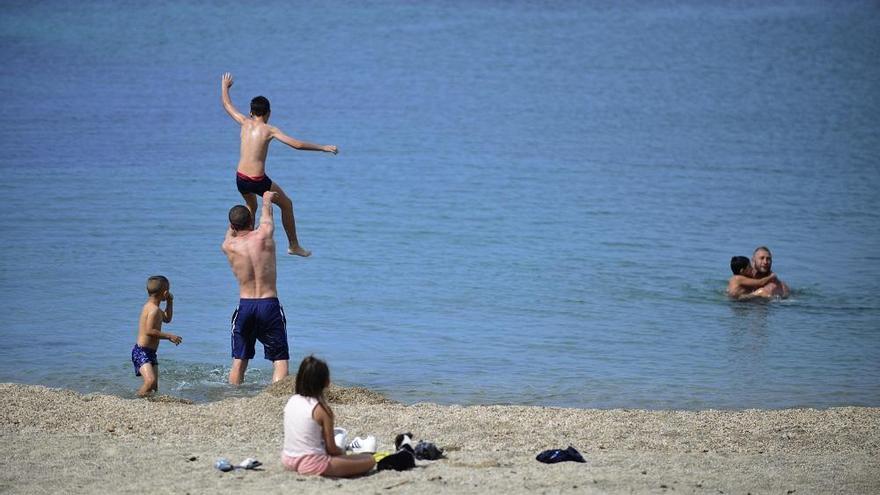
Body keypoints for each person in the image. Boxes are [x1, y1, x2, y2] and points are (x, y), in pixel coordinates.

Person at [221, 72, 338, 257]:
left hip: (240, 178)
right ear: (268, 113)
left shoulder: (244, 122)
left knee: (251, 207)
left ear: (251, 112)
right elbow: (297, 145)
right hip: (258, 180)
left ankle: (243, 242)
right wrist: (322, 147)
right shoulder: (270, 130)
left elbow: (227, 105)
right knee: (287, 205)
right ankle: (293, 245)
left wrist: (224, 87)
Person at [222, 192, 290, 385]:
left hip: (245, 305)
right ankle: (277, 397)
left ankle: (233, 397)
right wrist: (266, 199)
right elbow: (266, 215)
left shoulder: (228, 246)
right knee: (279, 359)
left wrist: (241, 216)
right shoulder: (264, 234)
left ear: (233, 226)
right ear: (251, 220)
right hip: (269, 304)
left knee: (239, 360)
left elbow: (232, 231)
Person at [282, 355, 376, 477]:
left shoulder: (292, 400)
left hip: (288, 459)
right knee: (369, 460)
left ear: (300, 378)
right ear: (326, 382)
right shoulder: (322, 410)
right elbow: (331, 449)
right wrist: (343, 452)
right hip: (312, 464)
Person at [131, 275, 182, 397]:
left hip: (150, 353)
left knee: (154, 388)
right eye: (168, 290)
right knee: (150, 381)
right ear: (165, 292)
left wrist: (170, 302)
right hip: (141, 352)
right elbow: (149, 331)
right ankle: (135, 402)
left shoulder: (155, 308)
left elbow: (167, 318)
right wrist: (169, 336)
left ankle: (147, 403)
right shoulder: (153, 310)